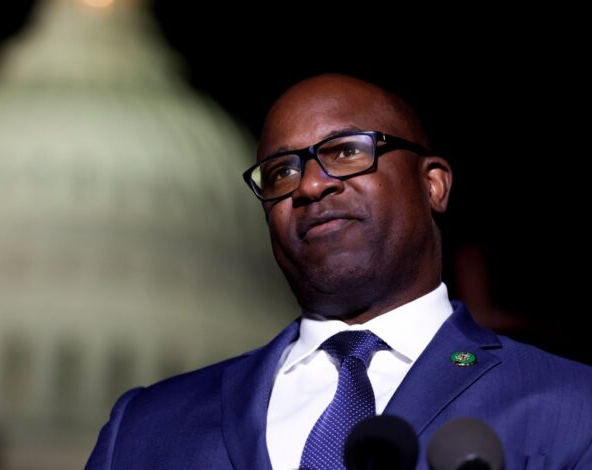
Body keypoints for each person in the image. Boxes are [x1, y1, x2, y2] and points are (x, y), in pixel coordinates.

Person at [85, 74, 592, 469]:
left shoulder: (572, 406)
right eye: (282, 171)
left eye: (347, 151)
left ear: (433, 184)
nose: (309, 185)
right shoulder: (146, 427)